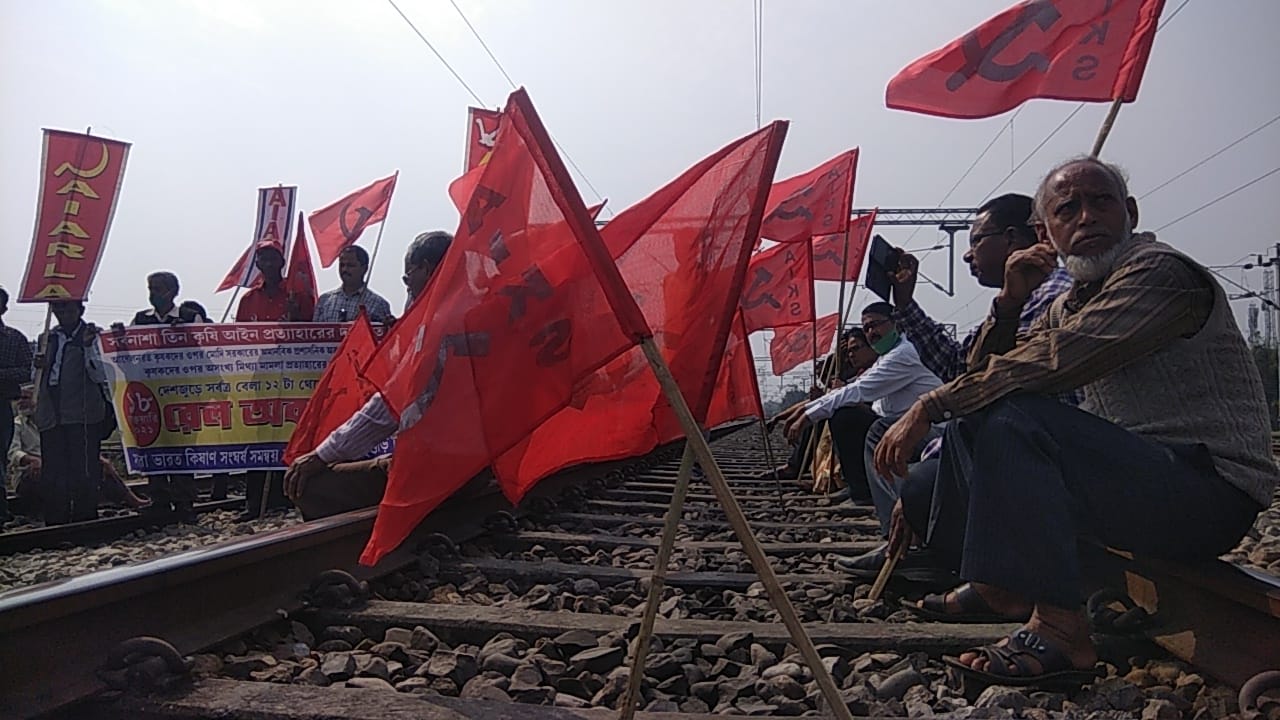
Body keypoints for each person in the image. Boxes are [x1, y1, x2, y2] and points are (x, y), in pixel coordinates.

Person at [873, 156, 1276, 687]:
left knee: (1011, 412)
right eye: (1068, 209)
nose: (1087, 217)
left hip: (1207, 490)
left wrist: (929, 406)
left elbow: (1058, 359)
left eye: (1102, 202)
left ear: (1129, 212)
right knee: (985, 409)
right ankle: (1005, 586)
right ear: (1045, 233)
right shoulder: (1071, 301)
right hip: (1141, 483)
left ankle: (1061, 630)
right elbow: (984, 372)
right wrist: (1010, 305)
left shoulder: (1159, 273)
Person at [841, 194, 1077, 577]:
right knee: (889, 438)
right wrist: (905, 302)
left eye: (975, 241)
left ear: (1014, 238)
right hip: (999, 437)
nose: (967, 256)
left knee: (916, 477)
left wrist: (933, 438)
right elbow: (960, 365)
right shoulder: (1015, 300)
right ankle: (906, 541)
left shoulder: (1050, 297)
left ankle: (927, 550)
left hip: (1032, 450)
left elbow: (996, 386)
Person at [286, 232, 452, 518]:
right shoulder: (481, 312)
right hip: (479, 463)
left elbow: (384, 411)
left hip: (434, 466)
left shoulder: (433, 329)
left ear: (425, 268)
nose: (408, 286)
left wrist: (321, 455)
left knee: (310, 484)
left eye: (408, 276)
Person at [785, 302, 941, 504]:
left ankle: (863, 492)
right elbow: (853, 390)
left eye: (876, 325)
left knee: (846, 417)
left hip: (926, 433)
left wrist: (807, 415)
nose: (871, 332)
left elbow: (857, 390)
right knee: (849, 411)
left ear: (895, 324)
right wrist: (807, 409)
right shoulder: (885, 358)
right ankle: (859, 486)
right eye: (866, 328)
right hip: (900, 426)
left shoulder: (903, 354)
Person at [130, 271, 205, 521]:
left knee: (183, 449)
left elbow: (206, 353)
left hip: (182, 395)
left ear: (173, 292)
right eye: (151, 289)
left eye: (159, 289)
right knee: (155, 447)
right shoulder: (141, 320)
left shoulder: (188, 317)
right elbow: (130, 354)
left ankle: (184, 502)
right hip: (151, 396)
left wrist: (185, 335)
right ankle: (160, 500)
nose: (154, 295)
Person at [9, 385, 147, 516]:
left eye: (26, 398)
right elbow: (12, 453)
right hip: (28, 475)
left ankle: (129, 499)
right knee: (47, 470)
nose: (21, 402)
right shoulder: (17, 425)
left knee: (98, 463)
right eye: (18, 399)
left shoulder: (52, 423)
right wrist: (34, 460)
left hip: (57, 469)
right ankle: (61, 510)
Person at [763, 330, 877, 488]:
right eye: (848, 351)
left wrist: (840, 391)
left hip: (874, 425)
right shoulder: (858, 374)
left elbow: (838, 401)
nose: (851, 355)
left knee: (831, 415)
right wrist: (781, 417)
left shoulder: (876, 371)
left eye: (856, 349)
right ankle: (816, 473)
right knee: (820, 411)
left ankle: (840, 479)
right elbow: (816, 402)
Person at [33, 301, 113, 525]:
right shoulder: (47, 338)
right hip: (52, 413)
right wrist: (39, 365)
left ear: (80, 311)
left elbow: (100, 375)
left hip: (83, 412)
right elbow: (37, 378)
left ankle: (84, 518)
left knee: (84, 469)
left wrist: (87, 348)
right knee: (54, 470)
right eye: (59, 311)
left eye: (68, 310)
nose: (63, 315)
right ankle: (56, 519)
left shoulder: (93, 336)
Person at [0, 286, 34, 522]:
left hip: (2, 405)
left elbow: (28, 370)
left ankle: (1, 513)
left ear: (3, 308)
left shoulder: (15, 338)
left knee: (0, 459)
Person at [235, 240, 314, 322]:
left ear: (282, 262)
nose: (269, 264)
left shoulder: (298, 296)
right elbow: (238, 331)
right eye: (264, 259)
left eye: (273, 259)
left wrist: (296, 319)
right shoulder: (248, 300)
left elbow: (314, 331)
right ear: (258, 265)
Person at [312, 245, 393, 324]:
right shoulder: (325, 301)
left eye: (350, 265)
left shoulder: (378, 304)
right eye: (342, 265)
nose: (345, 269)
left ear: (364, 268)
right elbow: (314, 332)